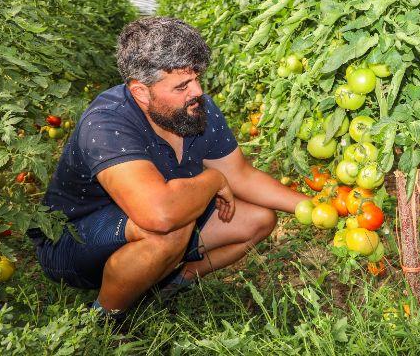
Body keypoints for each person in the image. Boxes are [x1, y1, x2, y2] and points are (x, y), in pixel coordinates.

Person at [29, 17, 308, 323]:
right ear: (140, 92)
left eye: (198, 77)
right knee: (171, 226)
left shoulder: (196, 109)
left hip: (149, 224)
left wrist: (312, 207)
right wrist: (213, 178)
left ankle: (174, 280)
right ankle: (104, 319)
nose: (198, 91)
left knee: (259, 219)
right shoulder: (107, 121)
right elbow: (159, 213)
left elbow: (241, 175)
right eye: (182, 85)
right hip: (72, 241)